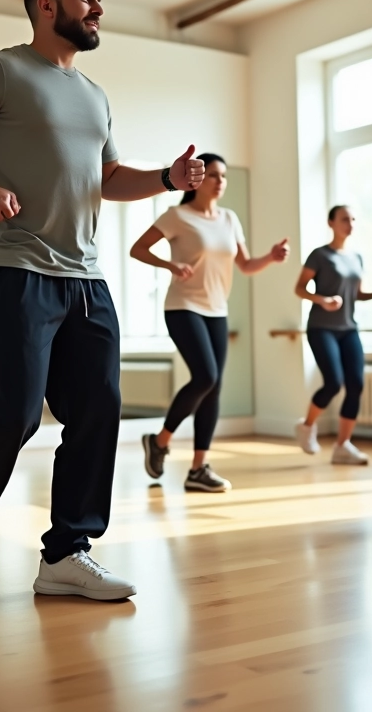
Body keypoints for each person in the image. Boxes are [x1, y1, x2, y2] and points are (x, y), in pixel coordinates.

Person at [0, 0, 203, 603]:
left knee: (97, 412)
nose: (97, 8)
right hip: (14, 268)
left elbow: (108, 179)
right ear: (46, 6)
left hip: (86, 278)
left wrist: (167, 181)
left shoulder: (94, 94)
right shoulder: (1, 69)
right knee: (10, 416)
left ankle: (67, 552)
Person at [132, 154, 289, 492]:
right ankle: (160, 441)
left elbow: (245, 266)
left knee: (213, 388)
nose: (220, 181)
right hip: (183, 306)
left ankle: (198, 468)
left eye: (224, 176)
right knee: (205, 376)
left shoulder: (229, 219)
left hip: (217, 309)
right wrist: (171, 266)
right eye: (214, 175)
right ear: (197, 180)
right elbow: (138, 249)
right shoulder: (176, 215)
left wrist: (271, 258)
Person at [293, 205, 372, 464]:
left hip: (348, 328)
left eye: (354, 219)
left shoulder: (356, 257)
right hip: (322, 328)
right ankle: (306, 427)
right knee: (334, 382)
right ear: (331, 223)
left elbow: (356, 294)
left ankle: (342, 446)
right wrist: (322, 300)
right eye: (345, 219)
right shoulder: (320, 255)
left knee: (356, 385)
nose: (350, 223)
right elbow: (299, 289)